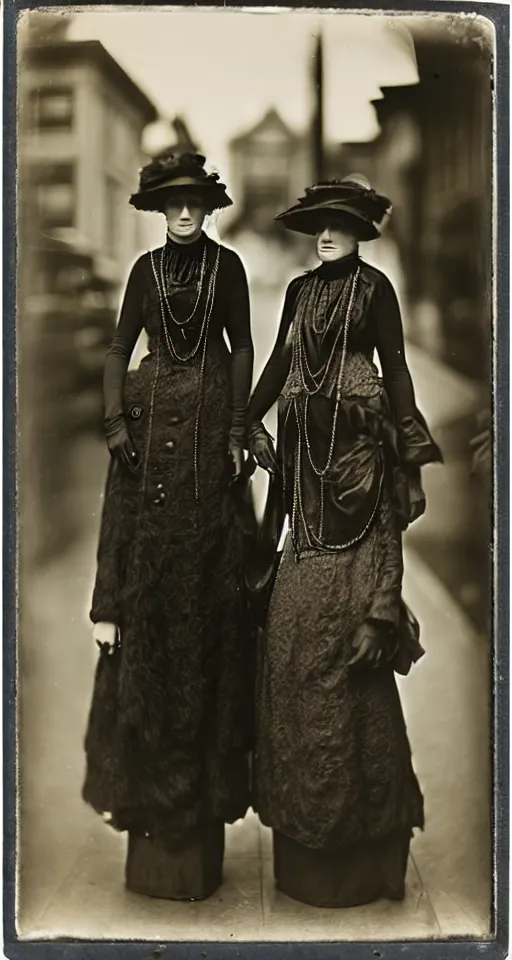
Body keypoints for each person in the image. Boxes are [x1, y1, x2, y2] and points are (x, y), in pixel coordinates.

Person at [247, 175, 443, 908]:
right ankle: (301, 846)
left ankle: (364, 856)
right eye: (319, 225)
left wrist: (411, 456)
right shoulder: (299, 294)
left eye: (340, 224)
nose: (327, 234)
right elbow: (276, 365)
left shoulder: (376, 290)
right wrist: (245, 419)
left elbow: (396, 371)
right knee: (293, 649)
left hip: (361, 460)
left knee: (351, 654)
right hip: (303, 466)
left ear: (361, 229)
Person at [82, 152, 254, 901]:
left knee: (210, 628)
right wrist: (116, 416)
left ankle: (201, 852)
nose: (184, 215)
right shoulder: (146, 274)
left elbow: (244, 344)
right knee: (148, 641)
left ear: (209, 209)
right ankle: (154, 852)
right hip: (150, 428)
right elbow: (119, 345)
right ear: (160, 210)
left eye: (195, 204)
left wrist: (238, 428)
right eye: (173, 205)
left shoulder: (231, 268)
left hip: (213, 426)